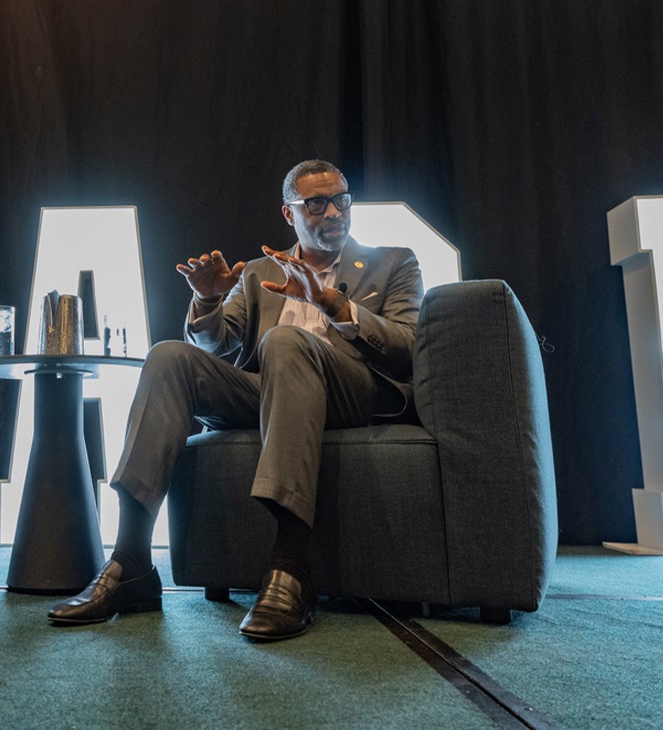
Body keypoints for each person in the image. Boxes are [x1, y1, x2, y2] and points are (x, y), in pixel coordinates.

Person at [48, 160, 422, 640]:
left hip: (353, 392)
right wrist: (206, 302)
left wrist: (334, 304)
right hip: (271, 392)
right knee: (168, 357)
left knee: (284, 342)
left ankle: (292, 569)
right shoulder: (262, 272)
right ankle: (131, 562)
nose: (334, 212)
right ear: (290, 214)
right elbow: (219, 344)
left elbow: (408, 346)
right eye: (316, 203)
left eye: (341, 199)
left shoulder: (393, 261)